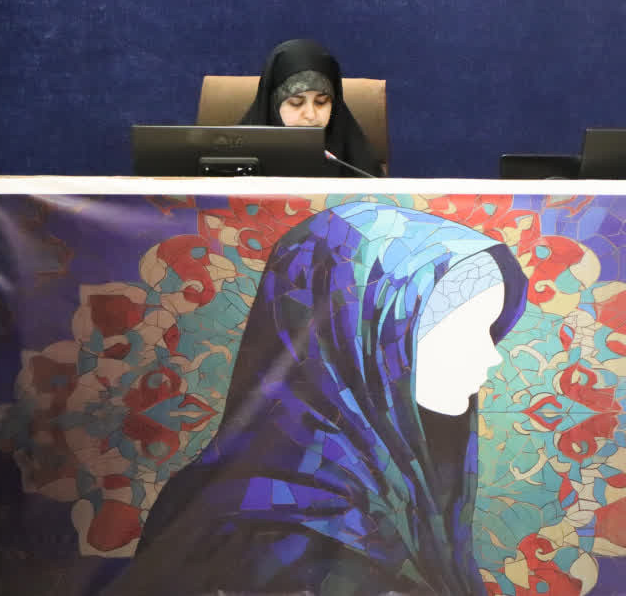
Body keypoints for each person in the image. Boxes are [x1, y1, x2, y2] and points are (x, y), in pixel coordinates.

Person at [106, 203, 529, 595]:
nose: (490, 356)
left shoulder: (401, 492)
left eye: (490, 330)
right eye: (463, 331)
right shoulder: (280, 546)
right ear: (361, 341)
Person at [240, 38, 383, 177]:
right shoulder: (241, 162)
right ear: (273, 107)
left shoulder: (356, 164)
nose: (311, 115)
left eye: (321, 102)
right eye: (296, 103)